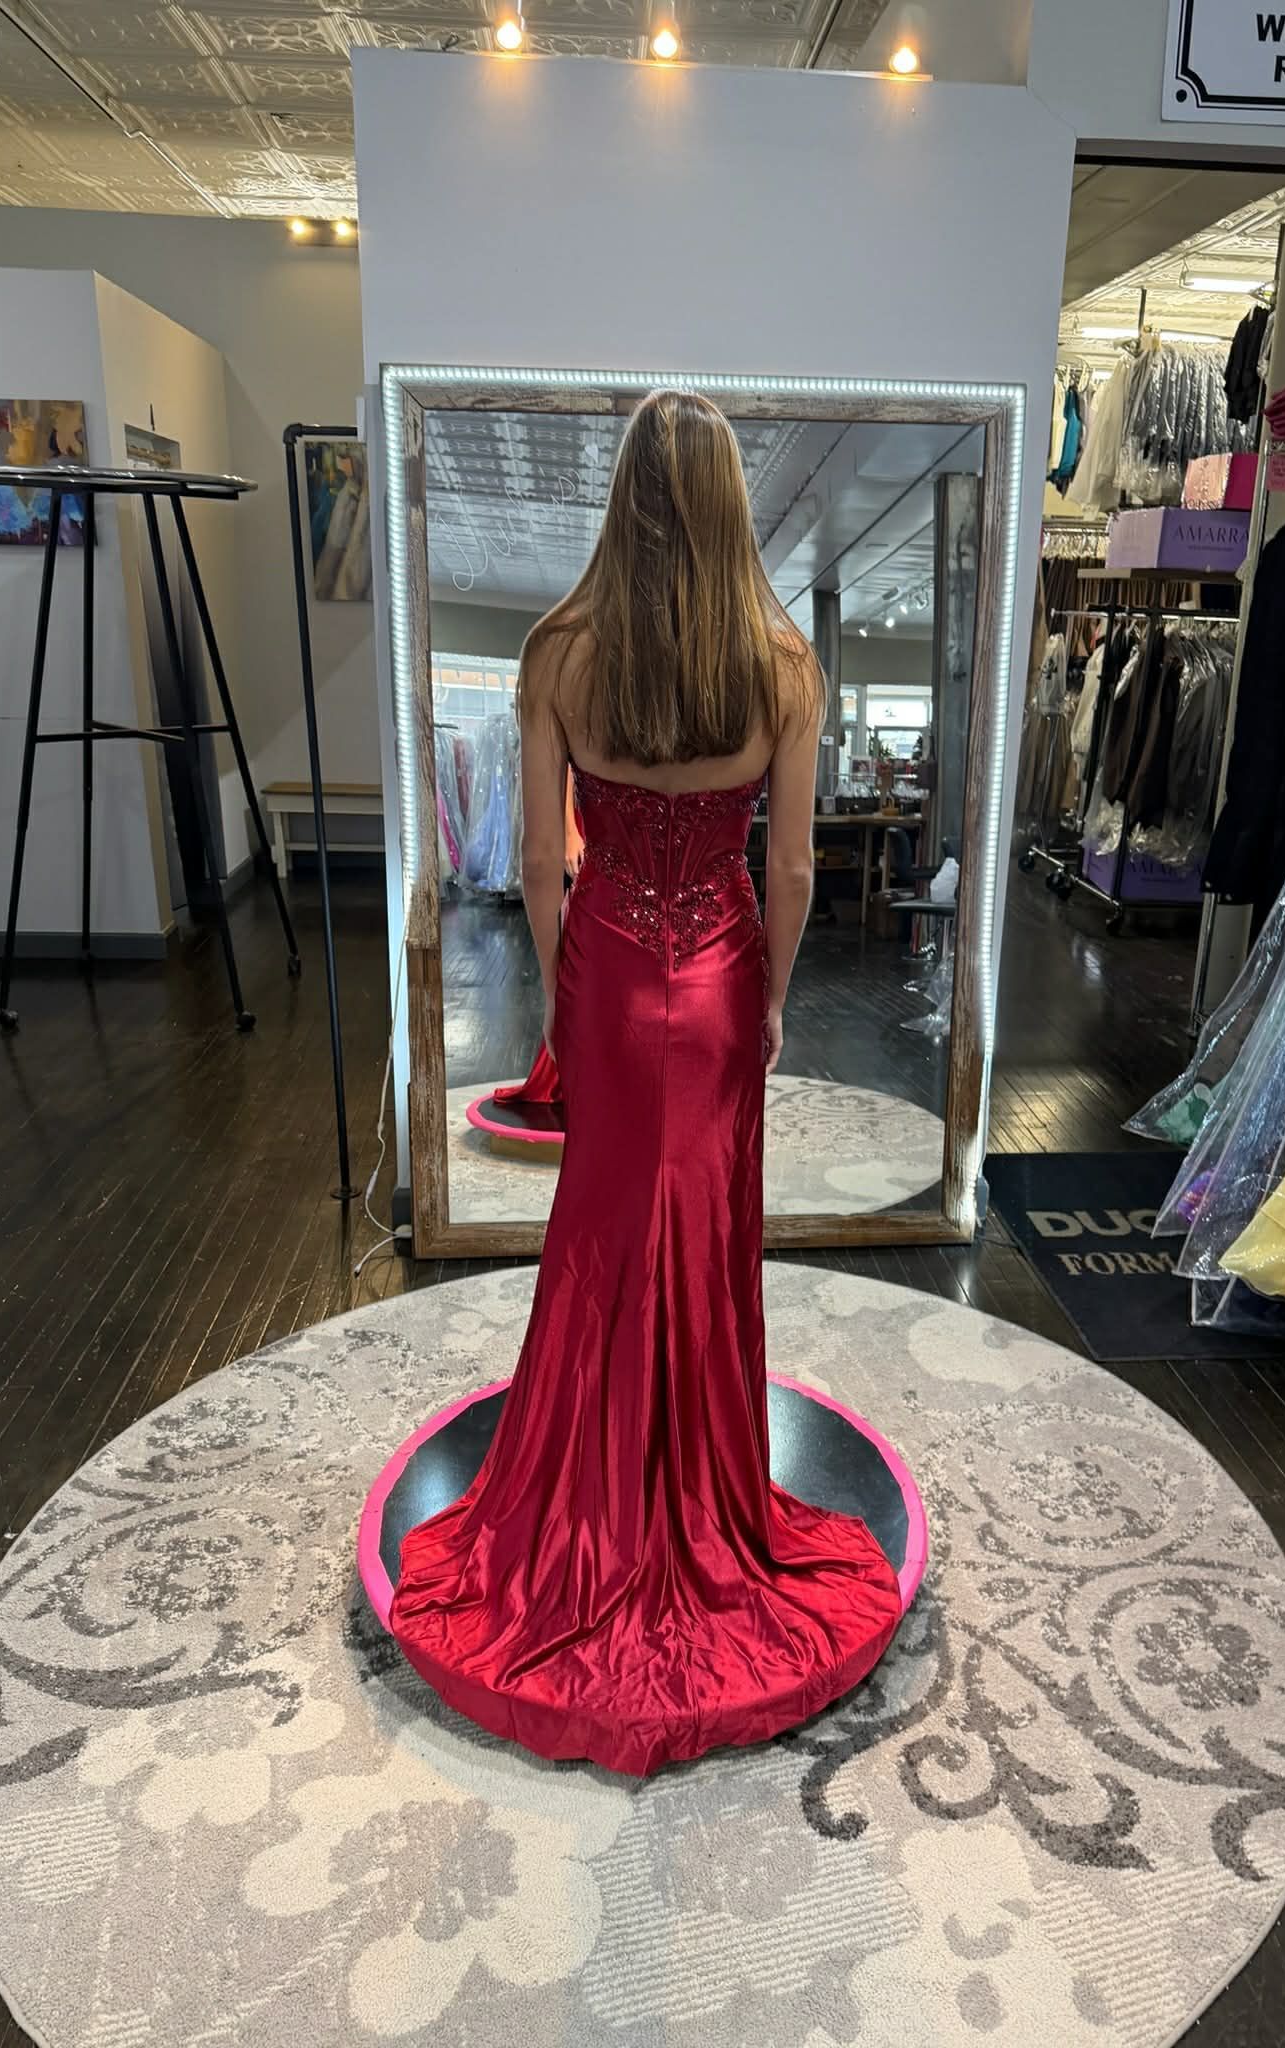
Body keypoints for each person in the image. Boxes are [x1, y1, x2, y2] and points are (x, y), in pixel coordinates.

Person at [388, 389, 903, 1776]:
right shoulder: (783, 664)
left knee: (607, 1230)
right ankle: (704, 1501)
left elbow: (544, 865)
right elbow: (789, 869)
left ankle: (588, 1507)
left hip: (612, 971)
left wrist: (570, 985)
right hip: (725, 968)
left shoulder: (561, 652)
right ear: (733, 505)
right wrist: (774, 993)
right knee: (709, 1231)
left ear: (624, 501)